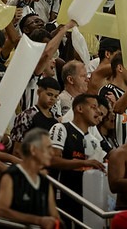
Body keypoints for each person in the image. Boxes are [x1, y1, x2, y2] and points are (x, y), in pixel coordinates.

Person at [48, 93, 105, 222]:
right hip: (61, 198)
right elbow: (52, 160)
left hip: (86, 199)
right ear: (79, 109)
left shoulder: (94, 141)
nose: (99, 112)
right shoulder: (61, 129)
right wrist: (82, 163)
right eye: (94, 107)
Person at [0, 128, 59, 228]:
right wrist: (38, 220)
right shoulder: (11, 175)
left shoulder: (44, 180)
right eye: (48, 148)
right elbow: (1, 211)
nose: (52, 153)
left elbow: (54, 215)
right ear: (33, 150)